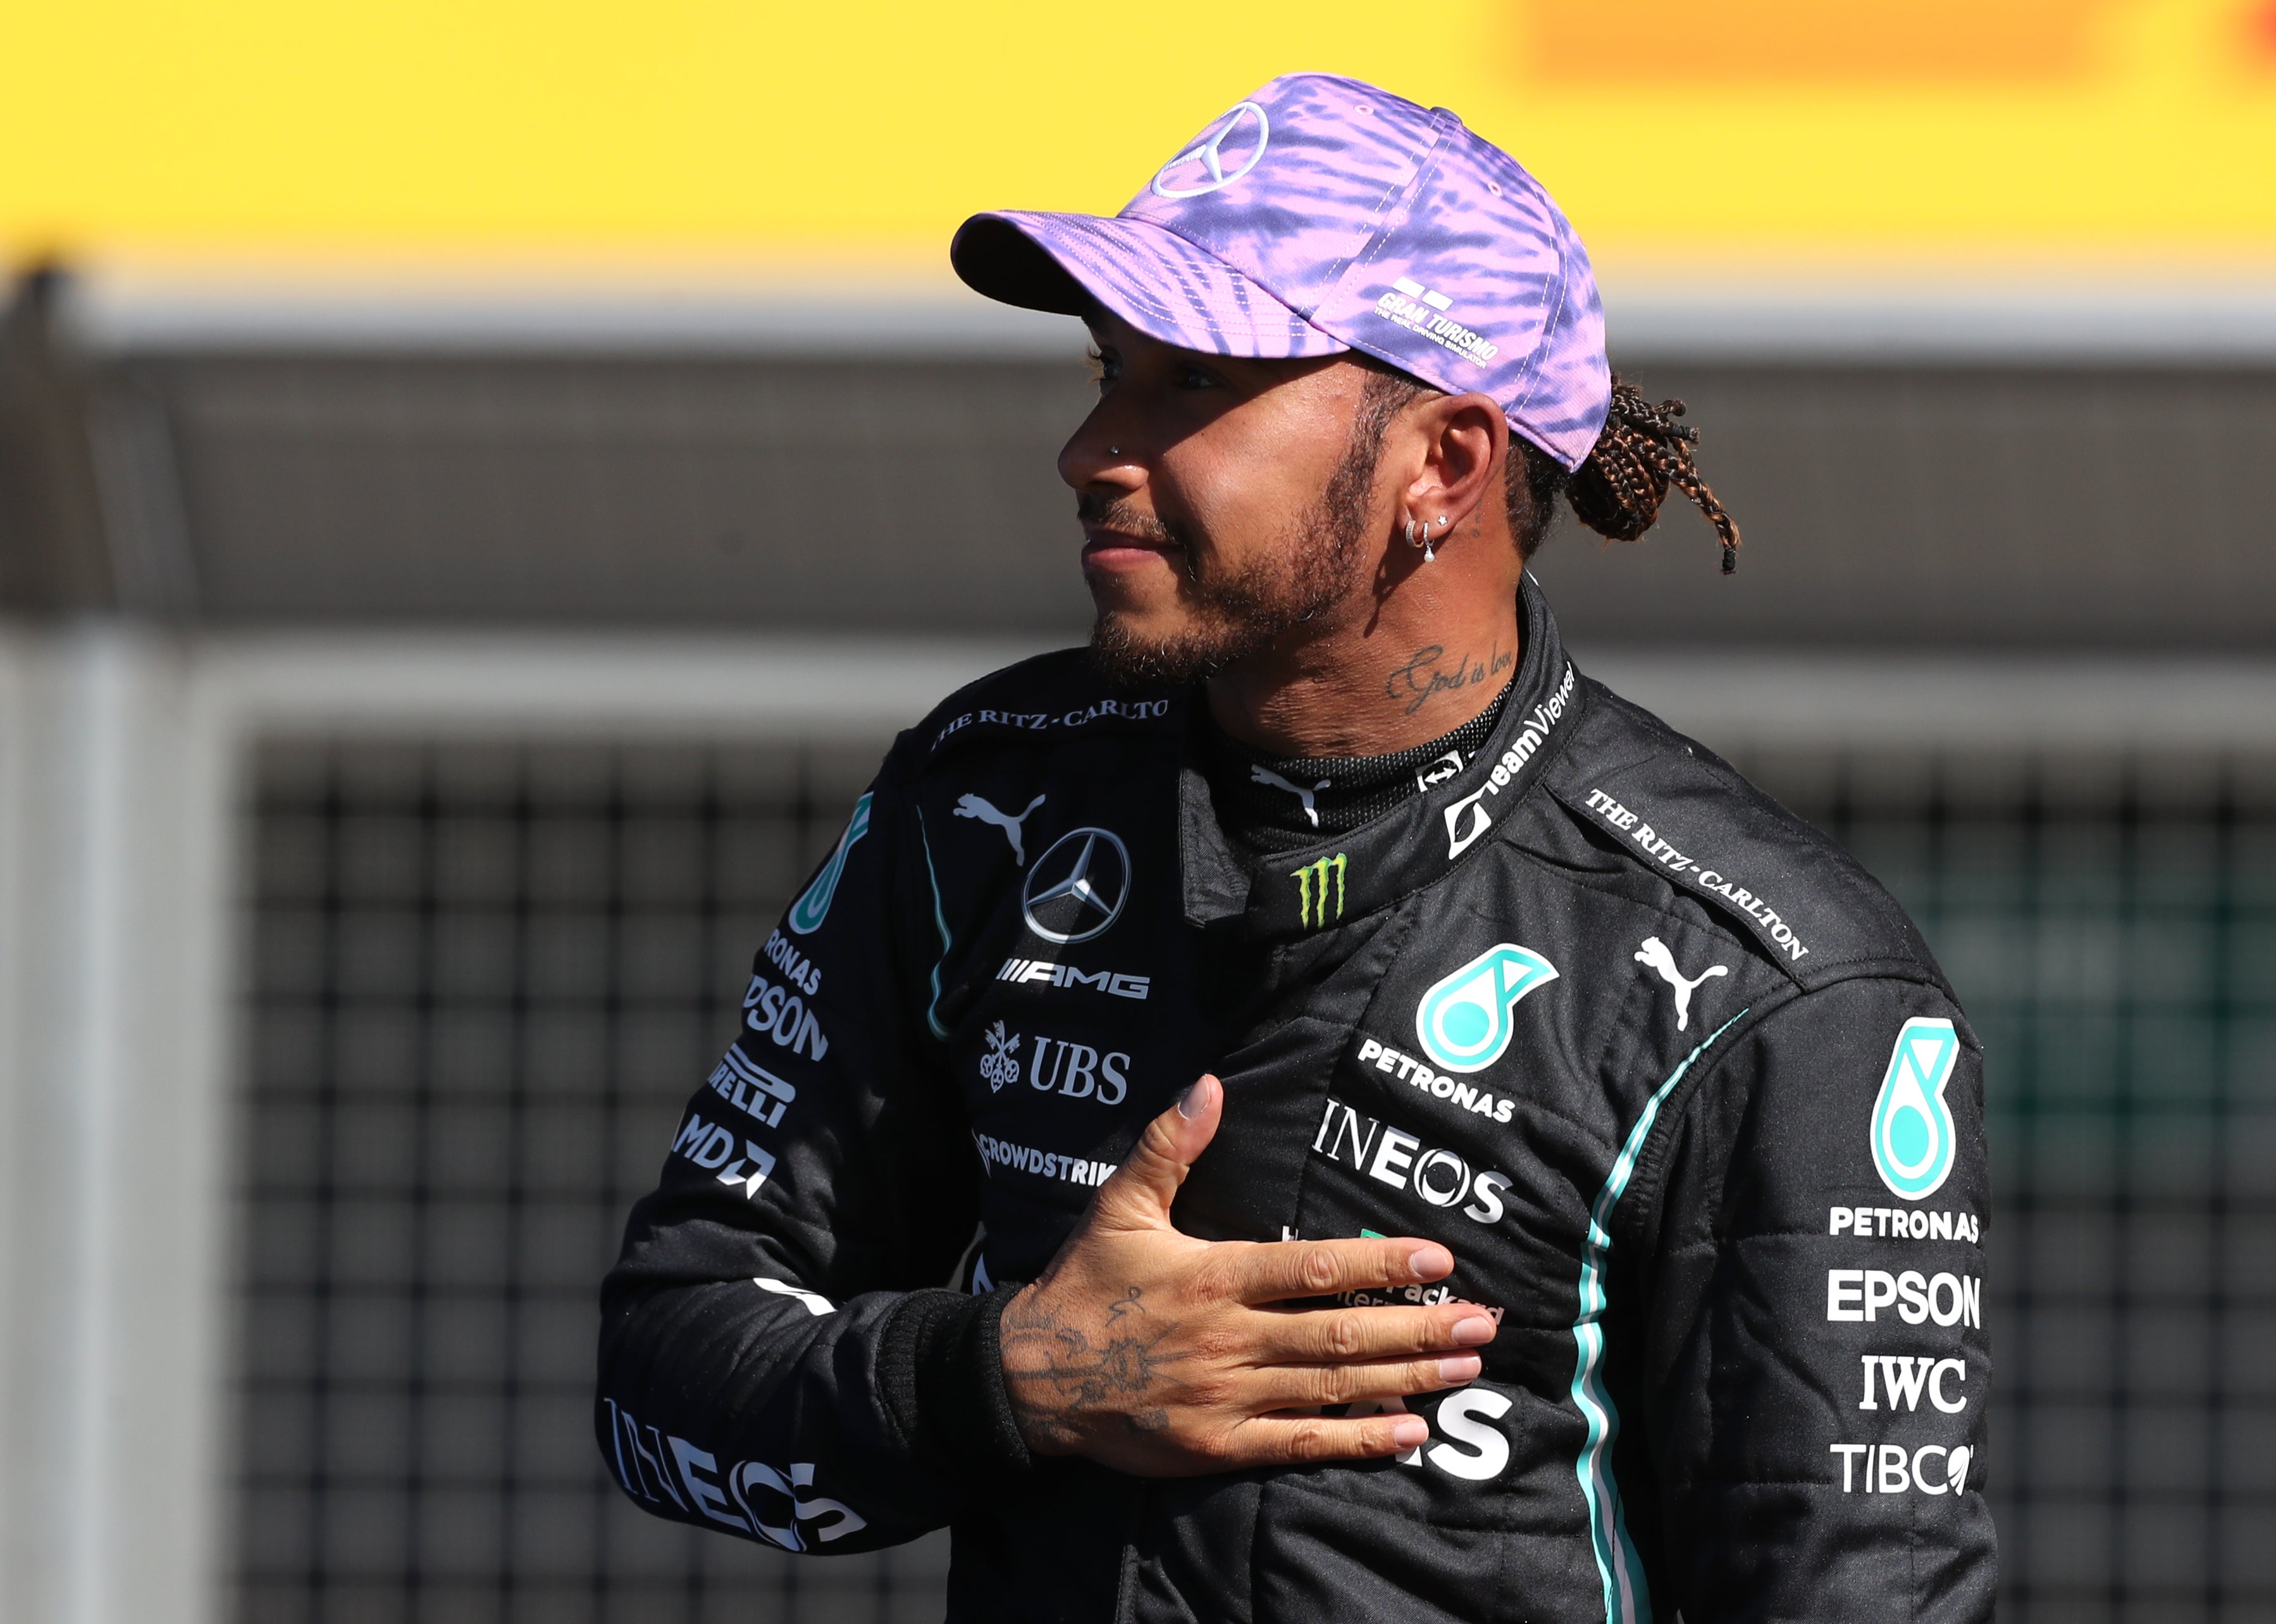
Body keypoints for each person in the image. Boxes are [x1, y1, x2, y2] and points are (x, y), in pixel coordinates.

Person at [598, 71, 1994, 1623]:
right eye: (1105, 368)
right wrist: (1012, 1378)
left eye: (1188, 382)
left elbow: (1864, 1597)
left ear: (1444, 467)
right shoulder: (982, 805)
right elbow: (664, 1372)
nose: (1090, 446)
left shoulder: (1765, 982)